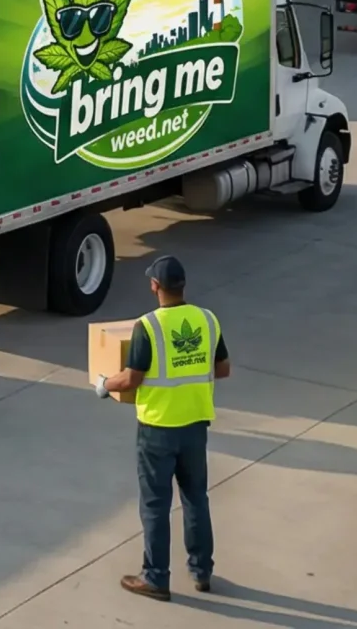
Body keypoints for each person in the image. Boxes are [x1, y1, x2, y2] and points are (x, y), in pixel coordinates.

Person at [98, 255, 228, 602]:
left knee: (155, 506)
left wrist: (103, 384)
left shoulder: (148, 326)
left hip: (157, 428)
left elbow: (131, 378)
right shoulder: (207, 319)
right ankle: (202, 571)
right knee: (196, 498)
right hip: (195, 424)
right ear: (182, 285)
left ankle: (156, 578)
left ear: (155, 286)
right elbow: (224, 368)